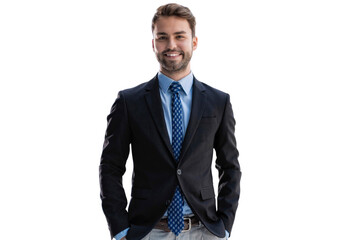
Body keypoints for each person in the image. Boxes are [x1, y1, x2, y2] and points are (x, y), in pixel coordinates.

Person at [99, 3, 241, 240]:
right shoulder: (129, 102)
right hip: (147, 231)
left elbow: (230, 167)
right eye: (162, 37)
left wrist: (225, 226)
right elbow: (110, 167)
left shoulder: (218, 102)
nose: (171, 45)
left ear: (194, 42)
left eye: (179, 36)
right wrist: (119, 228)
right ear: (153, 43)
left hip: (204, 230)